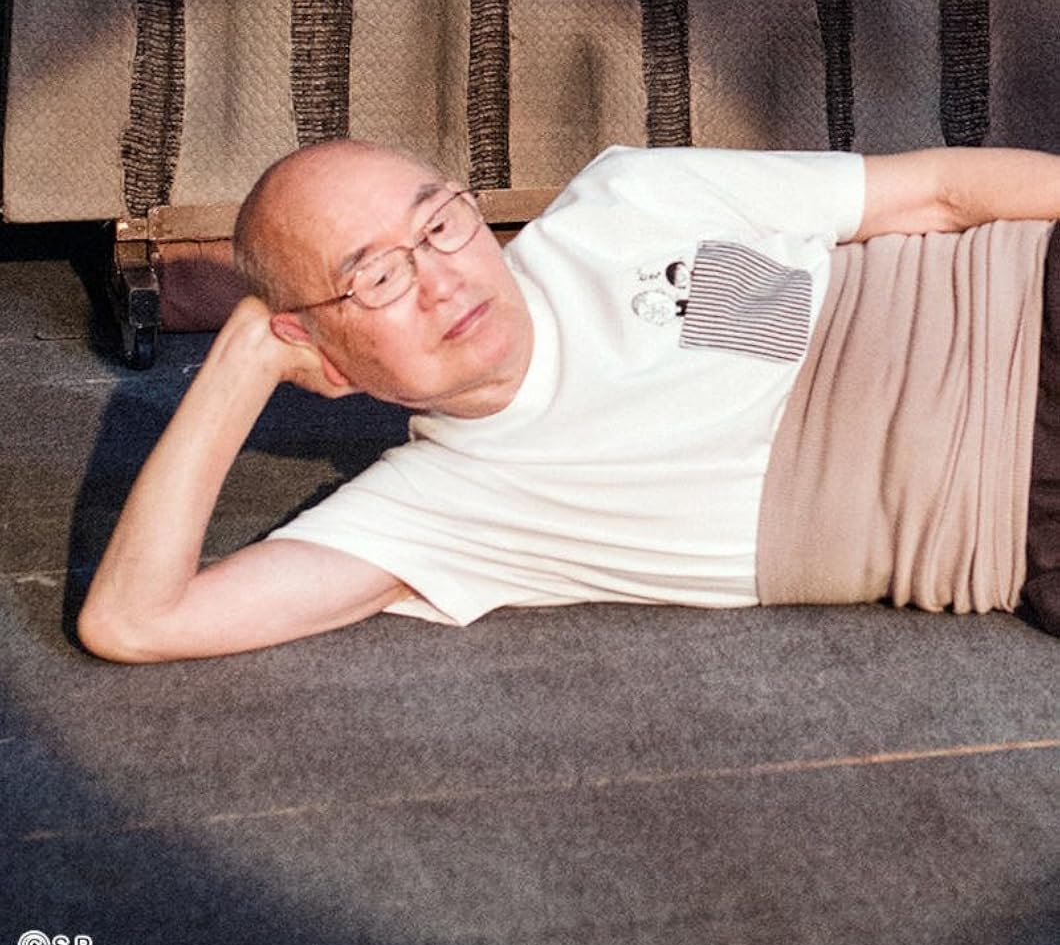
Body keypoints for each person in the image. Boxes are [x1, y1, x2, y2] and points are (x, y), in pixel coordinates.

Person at [77, 139, 1060, 663]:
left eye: (441, 224)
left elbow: (937, 193)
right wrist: (241, 361)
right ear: (322, 354)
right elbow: (137, 621)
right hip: (1015, 517)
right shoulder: (442, 508)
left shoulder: (624, 204)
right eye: (376, 278)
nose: (443, 280)